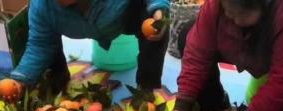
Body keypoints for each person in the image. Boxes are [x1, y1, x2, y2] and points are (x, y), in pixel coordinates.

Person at [11, 0, 170, 93]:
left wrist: (158, 7)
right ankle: (58, 76)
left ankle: (146, 87)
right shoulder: (42, 7)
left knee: (155, 24)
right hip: (77, 26)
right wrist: (20, 79)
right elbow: (40, 45)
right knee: (46, 38)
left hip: (123, 14)